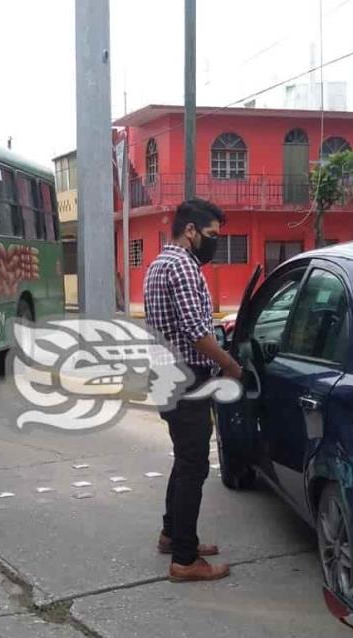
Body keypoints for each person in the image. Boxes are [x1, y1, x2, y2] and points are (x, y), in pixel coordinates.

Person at [143, 199, 243, 582]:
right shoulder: (183, 266)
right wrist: (231, 366)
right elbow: (197, 332)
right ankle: (185, 560)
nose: (215, 242)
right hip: (186, 377)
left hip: (166, 375)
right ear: (191, 231)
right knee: (194, 466)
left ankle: (174, 535)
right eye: (212, 235)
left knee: (184, 460)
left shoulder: (158, 264)